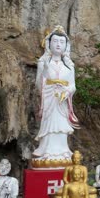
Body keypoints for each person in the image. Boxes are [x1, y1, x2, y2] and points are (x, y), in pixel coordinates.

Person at [32, 25, 79, 169]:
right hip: (50, 99)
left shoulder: (69, 66)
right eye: (55, 41)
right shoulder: (44, 62)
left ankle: (63, 151)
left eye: (61, 42)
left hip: (62, 102)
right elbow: (39, 84)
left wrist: (66, 92)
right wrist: (46, 72)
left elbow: (73, 85)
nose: (58, 44)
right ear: (49, 44)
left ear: (66, 46)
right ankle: (46, 151)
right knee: (49, 126)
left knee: (61, 126)